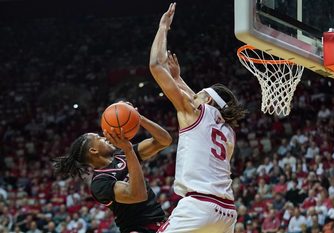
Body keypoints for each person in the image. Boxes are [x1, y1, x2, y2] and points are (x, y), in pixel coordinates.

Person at [149, 3, 247, 232]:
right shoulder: (228, 132)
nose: (193, 95)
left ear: (209, 101)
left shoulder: (194, 113)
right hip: (226, 212)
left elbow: (155, 65)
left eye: (200, 94)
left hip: (199, 207)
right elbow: (198, 100)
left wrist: (163, 27)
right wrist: (179, 80)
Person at [53, 102, 172, 233]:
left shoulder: (122, 155)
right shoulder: (99, 183)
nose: (105, 137)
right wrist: (128, 150)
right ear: (93, 150)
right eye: (99, 138)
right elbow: (138, 195)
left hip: (162, 223)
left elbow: (164, 141)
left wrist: (139, 118)